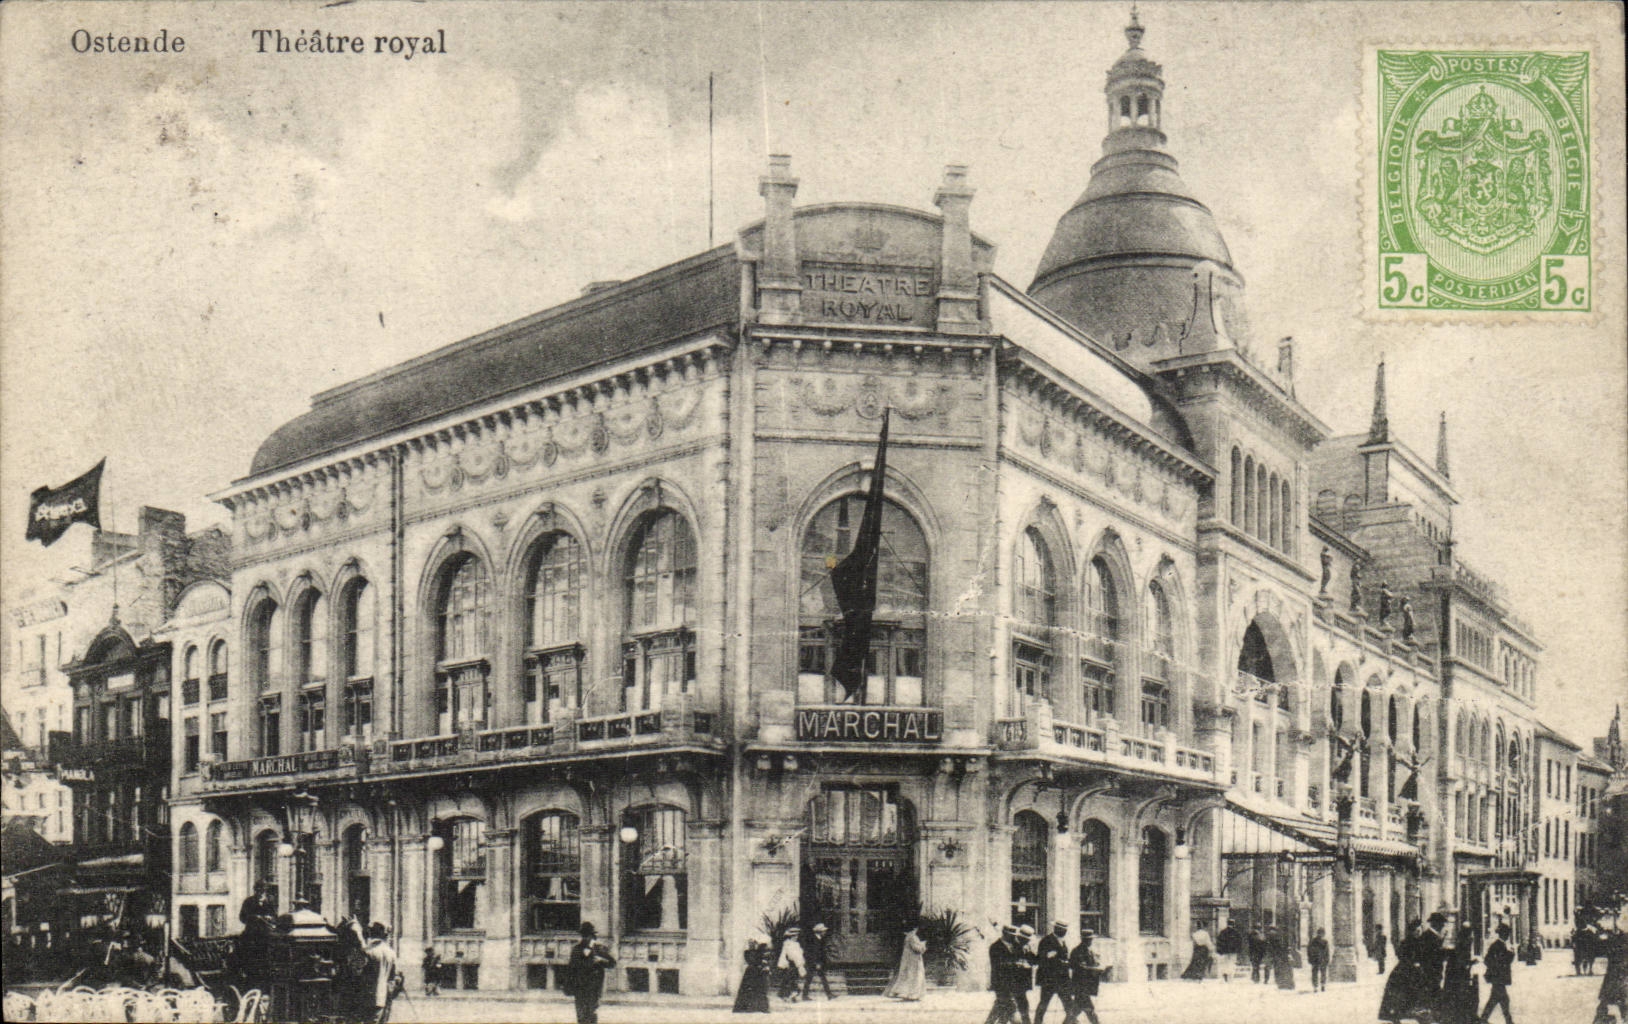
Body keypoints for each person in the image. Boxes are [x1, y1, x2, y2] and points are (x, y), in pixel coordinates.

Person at [563, 921, 616, 1024]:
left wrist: (600, 961)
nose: (586, 938)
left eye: (588, 936)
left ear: (592, 936)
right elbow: (571, 968)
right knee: (582, 1015)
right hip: (580, 987)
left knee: (591, 1014)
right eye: (584, 936)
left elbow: (612, 963)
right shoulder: (577, 949)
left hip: (594, 987)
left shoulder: (598, 949)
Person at [1380, 919, 1425, 1024]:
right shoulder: (1406, 942)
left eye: (1419, 931)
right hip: (1404, 971)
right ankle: (1396, 1016)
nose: (1418, 933)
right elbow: (1400, 955)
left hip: (1416, 971)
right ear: (1412, 931)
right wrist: (1411, 963)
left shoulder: (1421, 942)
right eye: (1416, 931)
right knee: (1399, 995)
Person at [984, 924, 1031, 1024]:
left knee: (1000, 1009)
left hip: (1015, 984)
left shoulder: (1016, 945)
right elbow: (997, 964)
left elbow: (1025, 957)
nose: (1014, 937)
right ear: (1004, 934)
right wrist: (1016, 964)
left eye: (1014, 935)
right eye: (1011, 935)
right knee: (1011, 1010)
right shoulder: (995, 947)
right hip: (1001, 983)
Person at [1441, 924, 1480, 1024]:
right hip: (1457, 979)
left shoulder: (1461, 943)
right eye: (1470, 935)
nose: (1472, 938)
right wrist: (1471, 963)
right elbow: (1461, 963)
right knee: (1459, 1000)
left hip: (1455, 978)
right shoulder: (1464, 945)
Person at [361, 922, 399, 1024]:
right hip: (383, 997)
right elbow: (393, 976)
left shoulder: (367, 951)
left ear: (371, 933)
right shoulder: (391, 952)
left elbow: (359, 973)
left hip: (367, 997)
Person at [1062, 928, 1102, 1024]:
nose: (1090, 941)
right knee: (1089, 1009)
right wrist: (1093, 969)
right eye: (1088, 939)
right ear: (1083, 939)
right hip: (1080, 985)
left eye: (1091, 939)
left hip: (1087, 985)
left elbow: (1094, 963)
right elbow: (1075, 966)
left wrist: (1098, 965)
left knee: (1076, 1009)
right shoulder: (1077, 951)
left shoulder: (1090, 951)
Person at [1035, 921, 1072, 1023]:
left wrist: (1066, 962)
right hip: (1049, 980)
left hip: (1062, 980)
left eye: (1065, 930)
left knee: (1069, 1006)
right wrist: (1056, 961)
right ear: (1056, 929)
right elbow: (1041, 959)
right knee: (1043, 1005)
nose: (1065, 932)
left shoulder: (1062, 941)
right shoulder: (1046, 941)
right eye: (1063, 930)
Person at [1479, 922, 1515, 1024]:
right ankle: (1508, 1021)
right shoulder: (1499, 946)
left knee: (1496, 999)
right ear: (1503, 934)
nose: (1508, 935)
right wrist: (1511, 954)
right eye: (1507, 933)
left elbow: (1488, 959)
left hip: (1497, 978)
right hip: (1499, 978)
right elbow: (1502, 961)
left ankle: (1484, 1019)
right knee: (1503, 1000)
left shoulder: (1498, 945)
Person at [883, 920, 927, 1001]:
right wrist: (923, 946)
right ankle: (912, 995)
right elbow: (917, 949)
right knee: (915, 977)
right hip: (914, 960)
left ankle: (908, 994)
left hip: (908, 960)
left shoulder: (907, 937)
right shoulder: (913, 937)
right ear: (915, 928)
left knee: (909, 976)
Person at [733, 931, 773, 1013]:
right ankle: (749, 1007)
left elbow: (763, 958)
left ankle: (760, 1007)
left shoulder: (758, 951)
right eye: (751, 942)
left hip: (757, 971)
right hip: (752, 971)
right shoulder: (749, 952)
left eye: (753, 942)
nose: (752, 943)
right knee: (750, 989)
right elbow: (751, 960)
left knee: (760, 989)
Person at [802, 922, 835, 1000]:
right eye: (823, 931)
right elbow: (813, 952)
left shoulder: (820, 939)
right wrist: (816, 963)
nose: (825, 932)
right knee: (810, 978)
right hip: (813, 962)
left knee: (819, 978)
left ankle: (829, 994)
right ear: (819, 932)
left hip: (817, 962)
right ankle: (805, 995)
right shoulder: (813, 940)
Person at [776, 926, 806, 1002]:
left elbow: (799, 955)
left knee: (792, 979)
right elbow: (788, 955)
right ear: (791, 936)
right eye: (795, 936)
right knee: (790, 980)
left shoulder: (796, 944)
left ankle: (790, 995)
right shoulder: (788, 944)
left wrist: (800, 963)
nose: (796, 937)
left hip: (795, 964)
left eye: (797, 936)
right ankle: (788, 995)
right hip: (790, 964)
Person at [1268, 924, 1296, 990]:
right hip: (1283, 955)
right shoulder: (1282, 937)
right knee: (1287, 970)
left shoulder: (1277, 936)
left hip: (1278, 955)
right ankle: (1288, 984)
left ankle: (1282, 984)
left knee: (1279, 969)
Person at [1307, 927, 1330, 992]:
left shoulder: (1313, 941)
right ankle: (1321, 985)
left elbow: (1309, 951)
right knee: (1321, 972)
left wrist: (1310, 959)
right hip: (1320, 959)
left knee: (1316, 973)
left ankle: (1317, 986)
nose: (1321, 935)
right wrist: (1327, 959)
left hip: (1316, 959)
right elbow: (1327, 952)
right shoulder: (1324, 941)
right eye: (1321, 933)